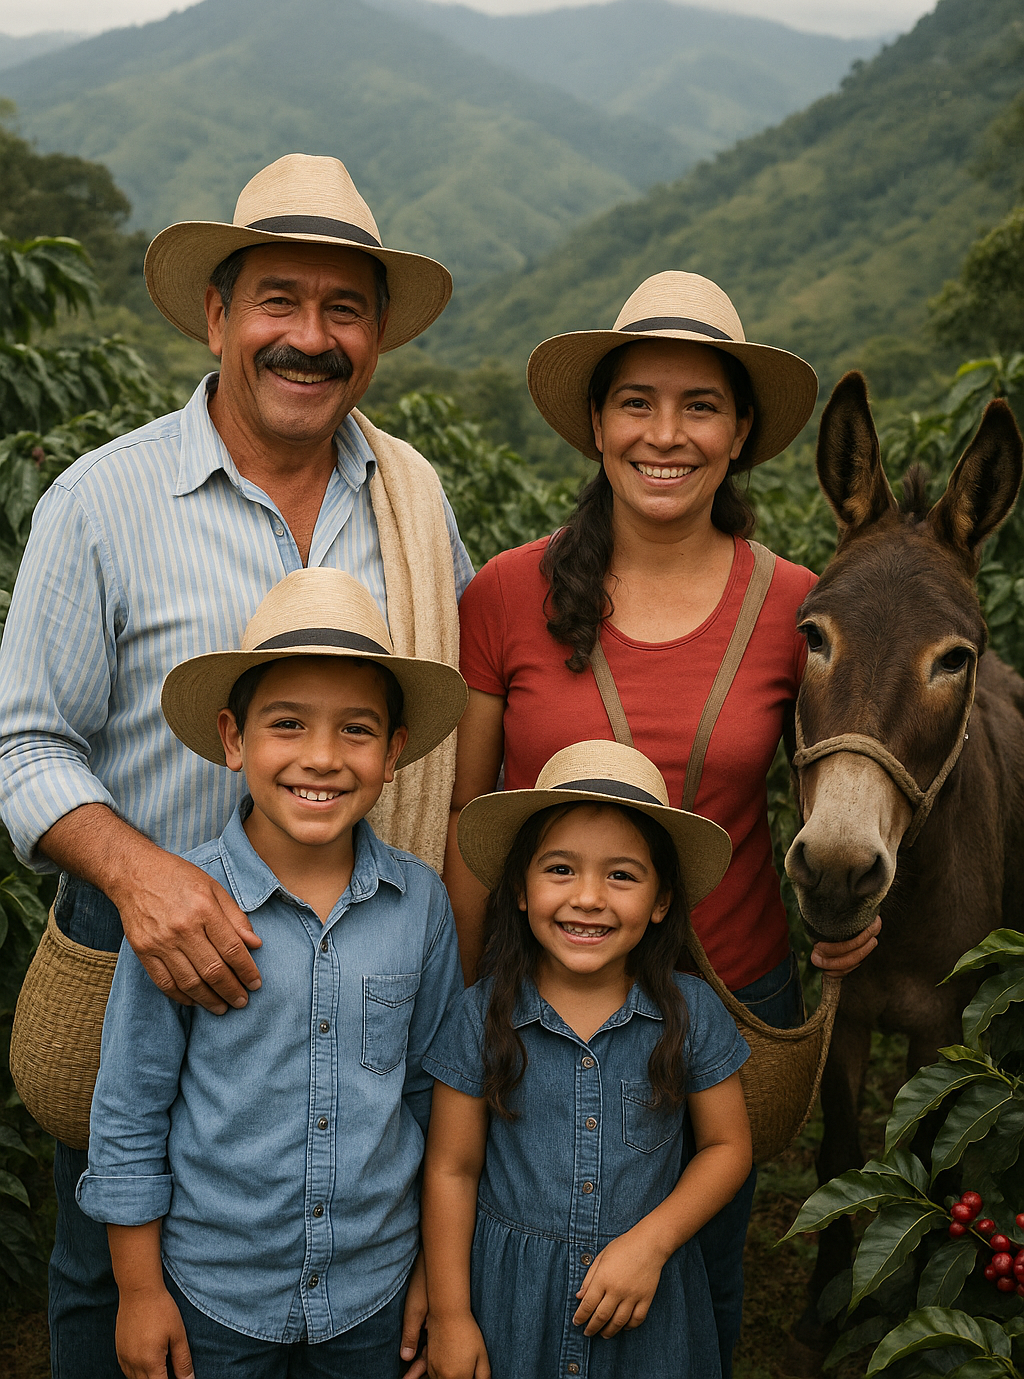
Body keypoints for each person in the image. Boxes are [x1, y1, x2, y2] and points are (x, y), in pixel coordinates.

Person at [0, 153, 472, 1377]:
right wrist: (144, 876)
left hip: (364, 969)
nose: (307, 338)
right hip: (145, 972)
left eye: (343, 309)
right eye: (277, 301)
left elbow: (458, 729)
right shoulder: (105, 502)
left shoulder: (413, 506)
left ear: (375, 336)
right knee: (119, 1295)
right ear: (215, 315)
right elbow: (21, 743)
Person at [442, 271, 880, 1372]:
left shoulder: (798, 605)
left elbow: (840, 786)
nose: (664, 434)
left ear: (739, 434)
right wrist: (460, 1011)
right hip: (540, 1008)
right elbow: (466, 819)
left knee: (696, 1281)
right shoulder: (504, 594)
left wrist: (852, 912)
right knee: (526, 1274)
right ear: (595, 424)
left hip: (724, 998)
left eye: (699, 406)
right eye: (636, 401)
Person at [78, 567, 468, 1377]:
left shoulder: (420, 906)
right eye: (287, 723)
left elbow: (431, 1098)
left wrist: (436, 1270)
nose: (321, 759)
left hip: (373, 1290)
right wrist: (141, 1291)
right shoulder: (182, 909)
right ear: (233, 738)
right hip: (214, 1293)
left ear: (394, 752)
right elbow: (130, 1109)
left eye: (357, 731)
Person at [421, 741, 752, 1379]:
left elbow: (727, 1147)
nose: (589, 898)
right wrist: (452, 1315)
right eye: (561, 870)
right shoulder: (479, 1016)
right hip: (513, 1307)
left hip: (645, 1307)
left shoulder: (691, 1014)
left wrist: (650, 1244)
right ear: (519, 889)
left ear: (660, 903)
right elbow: (452, 1171)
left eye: (622, 875)